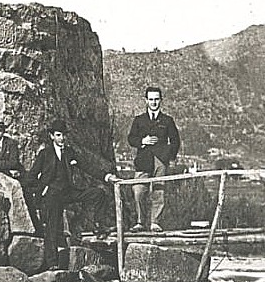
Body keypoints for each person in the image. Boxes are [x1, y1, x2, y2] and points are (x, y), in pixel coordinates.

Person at [27, 119, 118, 270]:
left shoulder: (69, 152)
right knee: (52, 228)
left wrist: (106, 176)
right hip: (52, 195)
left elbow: (87, 166)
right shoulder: (45, 154)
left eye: (63, 135)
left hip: (68, 192)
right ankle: (52, 264)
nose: (61, 138)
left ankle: (99, 226)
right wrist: (42, 190)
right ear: (52, 136)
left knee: (98, 194)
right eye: (58, 135)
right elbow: (31, 177)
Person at [126, 86, 181, 232]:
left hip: (160, 160)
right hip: (143, 160)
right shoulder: (139, 120)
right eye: (151, 99)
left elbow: (175, 140)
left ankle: (155, 222)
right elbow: (131, 138)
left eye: (156, 99)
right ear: (146, 100)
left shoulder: (167, 120)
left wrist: (170, 156)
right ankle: (140, 222)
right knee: (138, 190)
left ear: (161, 100)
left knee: (159, 191)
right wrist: (143, 141)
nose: (154, 102)